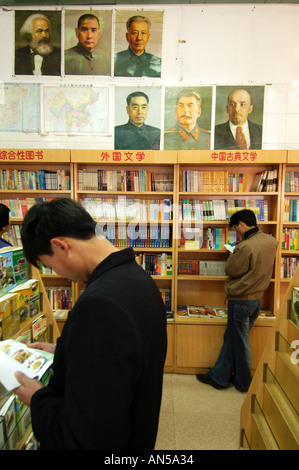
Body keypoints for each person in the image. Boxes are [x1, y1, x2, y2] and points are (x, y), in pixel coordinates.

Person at [14, 198, 167, 450]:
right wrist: (68, 351)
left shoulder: (100, 303)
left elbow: (87, 436)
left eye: (52, 266)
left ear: (61, 246)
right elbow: (120, 360)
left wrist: (38, 398)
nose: (60, 274)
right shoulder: (138, 278)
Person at [196, 209, 278, 392]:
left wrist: (233, 252)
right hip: (256, 300)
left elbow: (231, 269)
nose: (236, 232)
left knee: (240, 344)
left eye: (235, 228)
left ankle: (243, 382)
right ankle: (219, 376)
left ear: (242, 224)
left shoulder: (245, 246)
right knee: (232, 339)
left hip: (241, 299)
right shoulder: (271, 241)